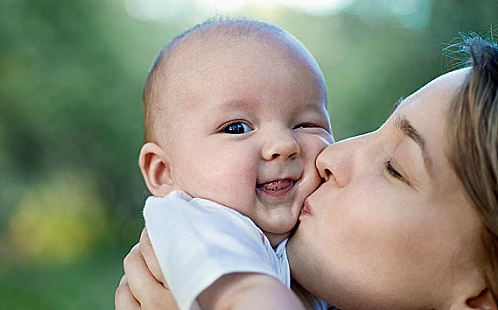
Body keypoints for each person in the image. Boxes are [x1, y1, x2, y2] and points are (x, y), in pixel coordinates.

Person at [116, 35, 498, 309]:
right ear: (163, 172)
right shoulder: (201, 220)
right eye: (236, 128)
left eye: (394, 168)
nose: (330, 155)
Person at [136, 18, 333, 309]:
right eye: (237, 128)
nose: (284, 145)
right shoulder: (194, 218)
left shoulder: (320, 223)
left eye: (304, 124)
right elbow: (247, 294)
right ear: (164, 172)